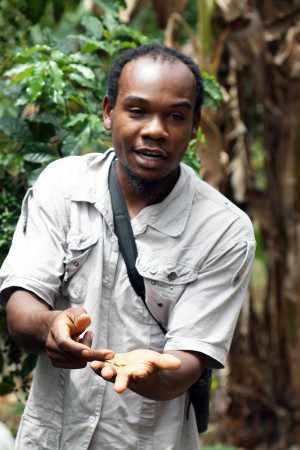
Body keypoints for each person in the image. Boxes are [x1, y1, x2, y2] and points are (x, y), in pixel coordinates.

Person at [0, 43, 255, 450]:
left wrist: (148, 372)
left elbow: (182, 367)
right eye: (137, 110)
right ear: (108, 112)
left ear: (194, 126)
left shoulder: (223, 231)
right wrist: (49, 326)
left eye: (175, 115)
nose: (155, 129)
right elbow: (20, 308)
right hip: (50, 438)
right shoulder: (62, 187)